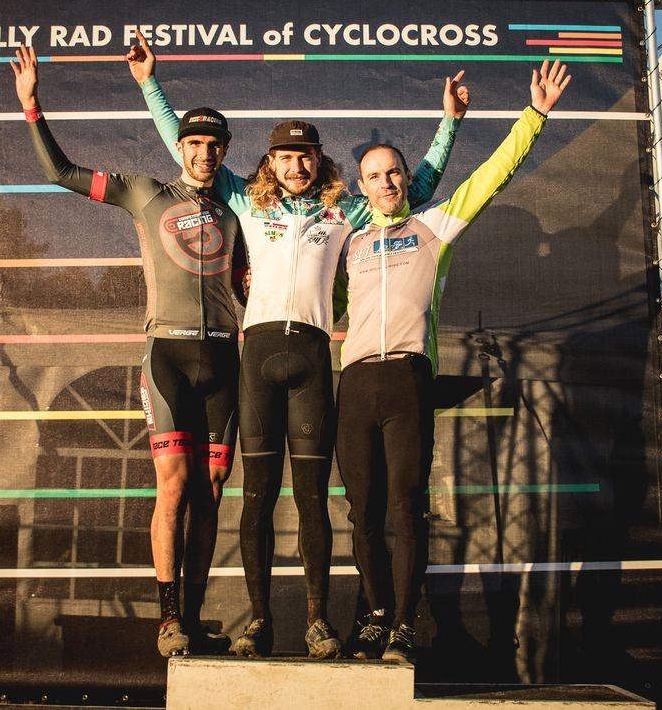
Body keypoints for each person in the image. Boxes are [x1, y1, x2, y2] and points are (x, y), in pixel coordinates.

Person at [126, 34, 471, 658]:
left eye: (307, 156)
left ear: (319, 163)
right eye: (285, 156)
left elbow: (411, 191)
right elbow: (189, 149)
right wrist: (151, 84)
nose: (296, 166)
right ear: (269, 163)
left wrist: (447, 124)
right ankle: (259, 621)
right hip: (256, 359)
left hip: (314, 357)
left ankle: (317, 621)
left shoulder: (344, 213)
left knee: (313, 499)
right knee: (255, 499)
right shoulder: (243, 199)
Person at [11, 45, 245, 658]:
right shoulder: (142, 191)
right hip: (167, 354)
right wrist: (32, 106)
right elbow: (61, 174)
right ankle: (168, 619)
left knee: (212, 488)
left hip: (224, 357)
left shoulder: (239, 206)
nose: (202, 152)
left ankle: (191, 619)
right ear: (181, 148)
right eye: (193, 143)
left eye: (213, 146)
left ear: (223, 153)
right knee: (172, 488)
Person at [335, 59, 572, 663]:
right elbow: (316, 301)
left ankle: (405, 627)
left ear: (405, 179)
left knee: (406, 507)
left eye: (393, 173)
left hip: (409, 375)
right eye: (373, 175)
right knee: (361, 514)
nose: (384, 182)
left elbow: (493, 174)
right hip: (354, 382)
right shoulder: (352, 244)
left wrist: (535, 115)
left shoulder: (435, 225)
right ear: (360, 187)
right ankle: (376, 616)